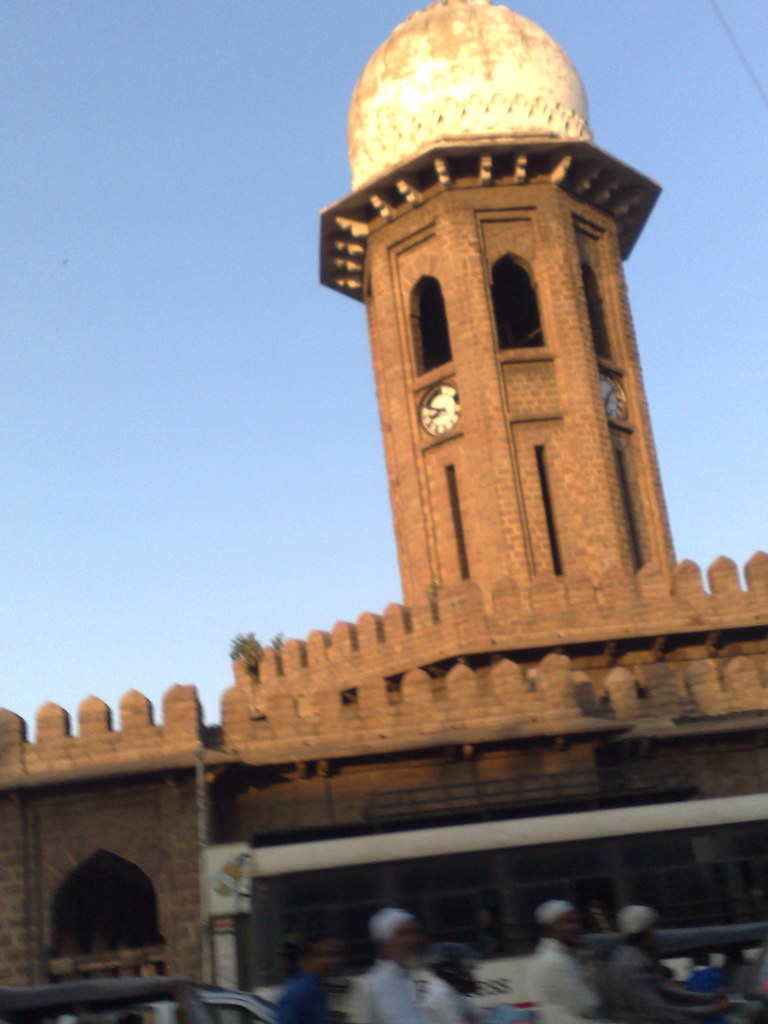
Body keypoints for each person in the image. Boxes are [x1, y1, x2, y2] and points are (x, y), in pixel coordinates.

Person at [603, 906, 733, 1024]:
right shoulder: (632, 966)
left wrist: (710, 998)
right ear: (647, 933)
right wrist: (711, 1009)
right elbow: (660, 1010)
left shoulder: (631, 958)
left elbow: (664, 991)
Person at [529, 899, 603, 1024]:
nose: (575, 928)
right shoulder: (555, 961)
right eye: (567, 922)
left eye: (576, 921)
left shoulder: (559, 955)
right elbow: (586, 1005)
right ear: (549, 929)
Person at [365, 907, 433, 1024]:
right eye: (403, 934)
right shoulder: (377, 984)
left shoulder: (409, 978)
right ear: (384, 942)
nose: (412, 940)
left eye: (414, 933)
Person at [276, 933, 342, 1024]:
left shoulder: (318, 988)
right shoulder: (299, 993)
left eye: (332, 954)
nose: (327, 961)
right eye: (319, 955)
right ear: (304, 960)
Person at [423, 942, 484, 1024]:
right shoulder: (440, 994)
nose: (469, 975)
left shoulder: (453, 991)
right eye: (464, 968)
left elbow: (478, 1015)